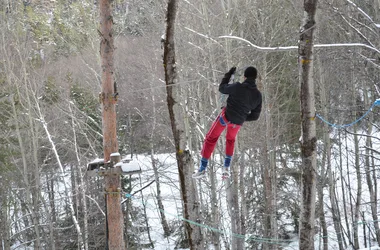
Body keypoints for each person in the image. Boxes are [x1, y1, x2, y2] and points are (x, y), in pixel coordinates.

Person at [192, 66, 262, 179]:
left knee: (211, 138)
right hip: (238, 122)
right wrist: (242, 116)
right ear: (255, 78)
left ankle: (202, 169)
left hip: (226, 117)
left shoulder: (238, 87)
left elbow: (222, 88)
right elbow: (255, 116)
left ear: (244, 77)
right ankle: (226, 169)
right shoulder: (258, 95)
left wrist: (228, 74)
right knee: (230, 140)